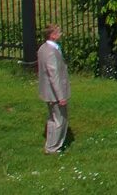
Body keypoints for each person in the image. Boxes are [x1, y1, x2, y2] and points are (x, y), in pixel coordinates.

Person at [38, 23, 68, 154]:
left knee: (52, 118)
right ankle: (53, 147)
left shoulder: (42, 48)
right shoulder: (51, 52)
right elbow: (53, 75)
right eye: (58, 32)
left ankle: (49, 145)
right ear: (52, 35)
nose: (60, 34)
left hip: (47, 92)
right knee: (60, 119)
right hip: (55, 93)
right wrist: (61, 96)